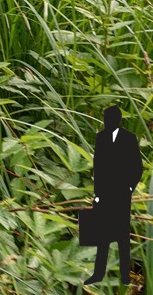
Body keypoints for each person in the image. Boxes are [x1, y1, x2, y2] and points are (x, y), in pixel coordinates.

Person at [83, 105, 144, 286]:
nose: (107, 121)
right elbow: (98, 167)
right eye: (105, 118)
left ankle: (125, 276)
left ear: (117, 120)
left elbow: (137, 167)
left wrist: (130, 188)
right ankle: (98, 274)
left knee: (122, 236)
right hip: (104, 194)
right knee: (103, 235)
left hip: (122, 194)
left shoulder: (129, 138)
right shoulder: (100, 137)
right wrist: (97, 193)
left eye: (109, 118)